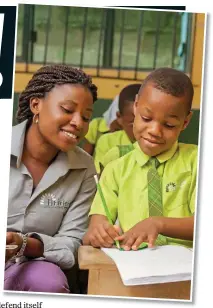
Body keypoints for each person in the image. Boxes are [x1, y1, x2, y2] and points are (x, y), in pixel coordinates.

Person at [5, 64, 98, 293]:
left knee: (48, 281)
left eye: (86, 117)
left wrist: (23, 244)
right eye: (67, 109)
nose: (78, 123)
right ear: (35, 104)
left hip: (37, 263)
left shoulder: (84, 168)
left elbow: (71, 242)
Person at [83, 67, 196, 251]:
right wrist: (99, 232)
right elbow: (97, 223)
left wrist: (158, 224)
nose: (154, 131)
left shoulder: (197, 162)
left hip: (185, 271)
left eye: (168, 124)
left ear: (185, 122)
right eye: (146, 118)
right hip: (132, 267)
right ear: (136, 106)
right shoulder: (115, 169)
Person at [94, 84, 141, 173]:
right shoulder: (107, 141)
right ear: (119, 117)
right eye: (132, 124)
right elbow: (99, 174)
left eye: (146, 120)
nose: (139, 129)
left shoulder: (155, 144)